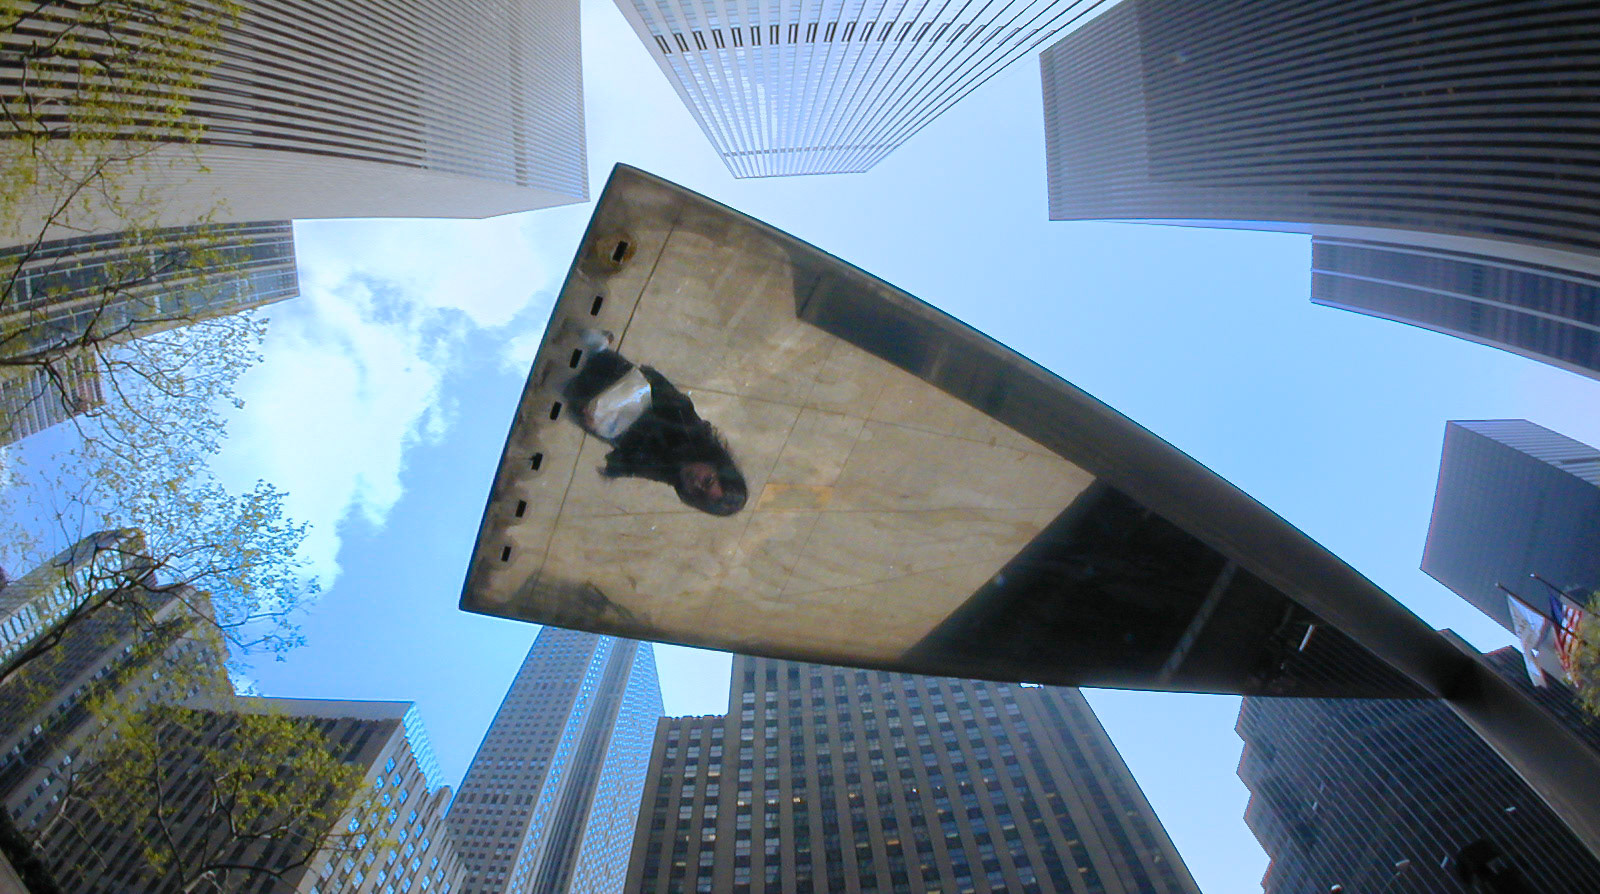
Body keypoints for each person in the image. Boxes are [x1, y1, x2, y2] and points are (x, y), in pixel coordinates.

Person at [562, 330, 747, 516]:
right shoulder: (689, 430)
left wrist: (598, 427)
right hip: (613, 379)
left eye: (698, 493)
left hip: (598, 413)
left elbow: (624, 463)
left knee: (561, 385)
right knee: (581, 348)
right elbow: (658, 385)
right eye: (707, 481)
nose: (696, 483)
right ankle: (596, 346)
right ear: (717, 466)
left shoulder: (672, 473)